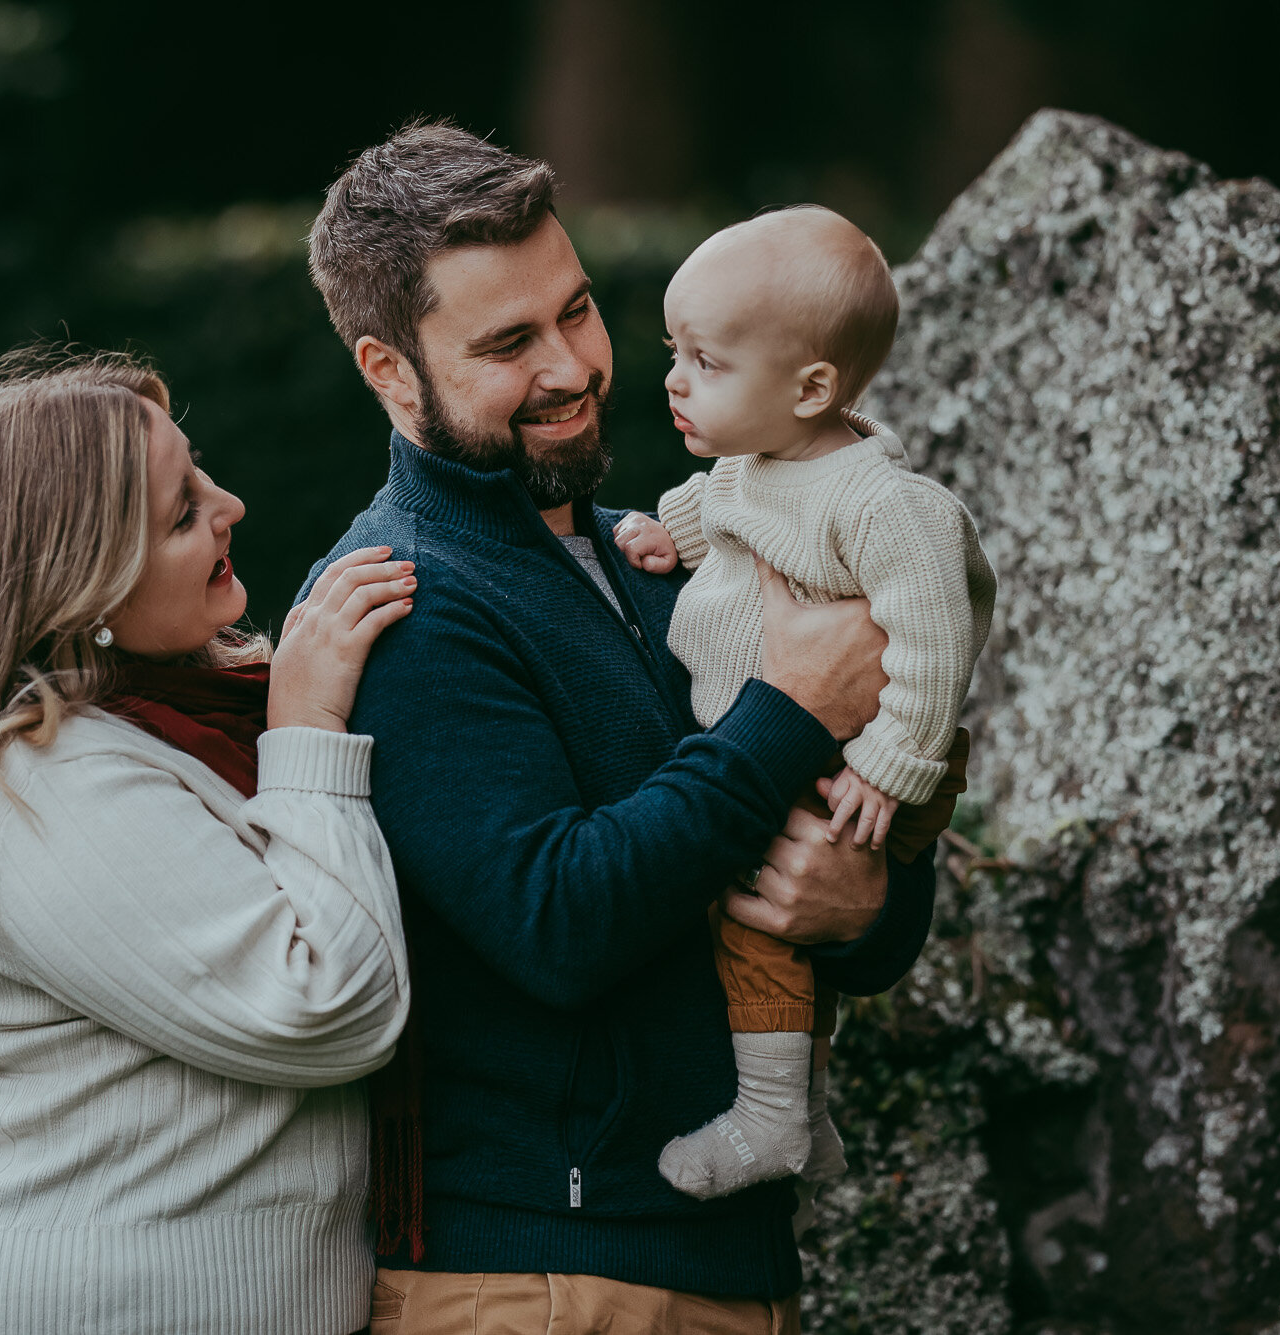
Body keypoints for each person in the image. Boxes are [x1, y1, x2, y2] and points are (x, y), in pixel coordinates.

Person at [301, 123, 969, 1332]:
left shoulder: (665, 552)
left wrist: (866, 908)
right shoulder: (400, 600)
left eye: (576, 310)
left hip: (721, 1266)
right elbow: (556, 921)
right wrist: (786, 709)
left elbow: (832, 848)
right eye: (508, 343)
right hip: (539, 1280)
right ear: (389, 371)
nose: (571, 367)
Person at [0, 347, 413, 1335]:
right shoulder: (31, 790)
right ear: (79, 592)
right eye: (182, 514)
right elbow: (327, 1006)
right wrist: (308, 734)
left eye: (200, 472)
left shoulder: (175, 711)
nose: (228, 506)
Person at [611, 206, 995, 1202]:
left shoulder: (881, 505)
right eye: (671, 352)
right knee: (768, 917)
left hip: (863, 756)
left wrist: (891, 764)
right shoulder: (758, 459)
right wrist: (673, 535)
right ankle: (810, 1119)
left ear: (810, 387)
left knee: (752, 922)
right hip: (820, 745)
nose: (672, 378)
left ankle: (773, 1120)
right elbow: (730, 507)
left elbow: (934, 635)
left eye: (704, 360)